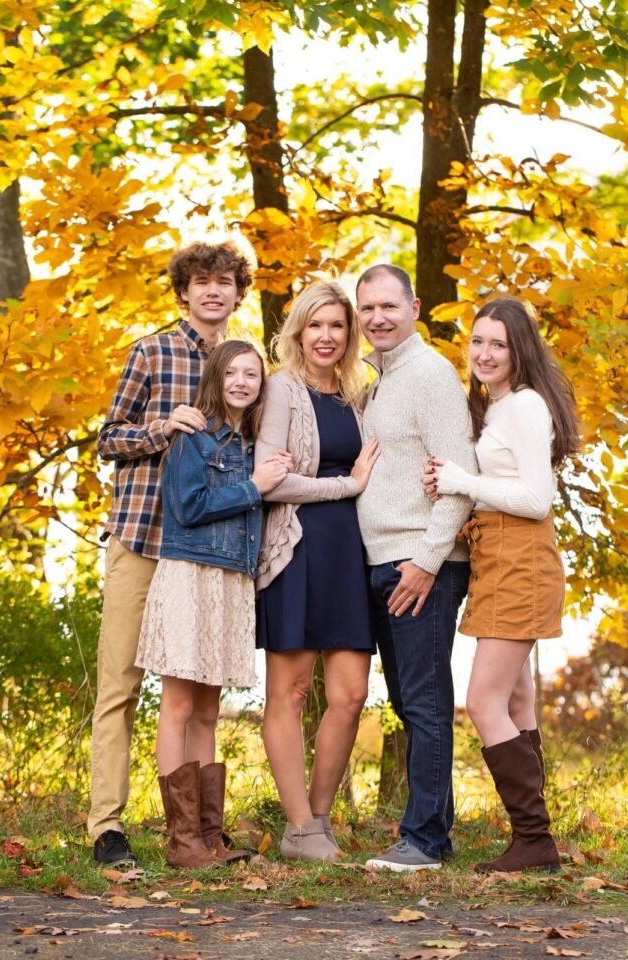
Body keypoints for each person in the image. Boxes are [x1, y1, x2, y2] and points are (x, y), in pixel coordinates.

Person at [90, 239, 256, 866]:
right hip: (146, 538)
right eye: (201, 282)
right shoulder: (153, 351)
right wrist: (164, 427)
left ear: (238, 293)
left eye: (225, 282)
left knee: (198, 696)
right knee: (122, 687)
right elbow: (108, 437)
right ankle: (106, 825)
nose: (213, 291)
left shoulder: (246, 363)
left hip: (207, 550)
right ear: (184, 291)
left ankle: (192, 832)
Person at [423, 296, 579, 873]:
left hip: (520, 555)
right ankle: (533, 840)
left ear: (520, 352)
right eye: (478, 342)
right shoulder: (499, 406)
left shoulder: (525, 408)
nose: (485, 354)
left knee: (484, 699)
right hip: (502, 552)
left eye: (499, 345)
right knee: (515, 698)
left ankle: (534, 839)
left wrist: (463, 478)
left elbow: (537, 499)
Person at [136, 340, 289, 868]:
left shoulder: (251, 445)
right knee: (178, 706)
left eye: (253, 374)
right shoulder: (194, 437)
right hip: (190, 577)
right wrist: (253, 488)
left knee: (208, 711)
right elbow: (187, 507)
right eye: (234, 373)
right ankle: (182, 842)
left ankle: (207, 836)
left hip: (229, 582)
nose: (243, 382)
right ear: (217, 378)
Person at [355, 264, 475, 872]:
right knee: (409, 702)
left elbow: (457, 480)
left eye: (388, 307)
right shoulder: (376, 381)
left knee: (425, 701)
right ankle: (432, 830)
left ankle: (425, 839)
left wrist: (427, 563)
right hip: (383, 561)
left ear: (415, 307)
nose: (377, 318)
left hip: (419, 562)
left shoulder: (431, 374)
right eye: (367, 308)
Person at [255, 281, 380, 862]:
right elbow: (272, 479)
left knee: (351, 694)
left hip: (350, 554)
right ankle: (299, 827)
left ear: (348, 334)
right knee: (291, 690)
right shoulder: (282, 389)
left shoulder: (360, 395)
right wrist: (346, 485)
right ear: (298, 333)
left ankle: (317, 822)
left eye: (336, 326)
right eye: (315, 326)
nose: (326, 336)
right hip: (298, 548)